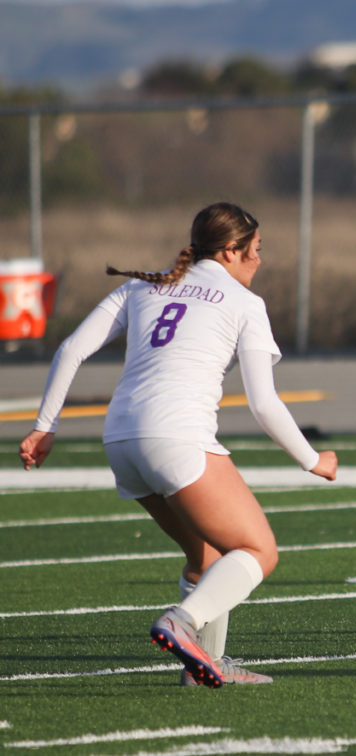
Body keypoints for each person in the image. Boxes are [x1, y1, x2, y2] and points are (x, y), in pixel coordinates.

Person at [18, 202, 338, 687]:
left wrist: (45, 426)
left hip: (120, 440)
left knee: (207, 558)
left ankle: (203, 667)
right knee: (258, 549)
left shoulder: (142, 285)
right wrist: (314, 460)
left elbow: (72, 349)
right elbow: (263, 404)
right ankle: (180, 623)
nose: (259, 260)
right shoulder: (244, 303)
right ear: (230, 251)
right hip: (175, 437)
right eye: (256, 250)